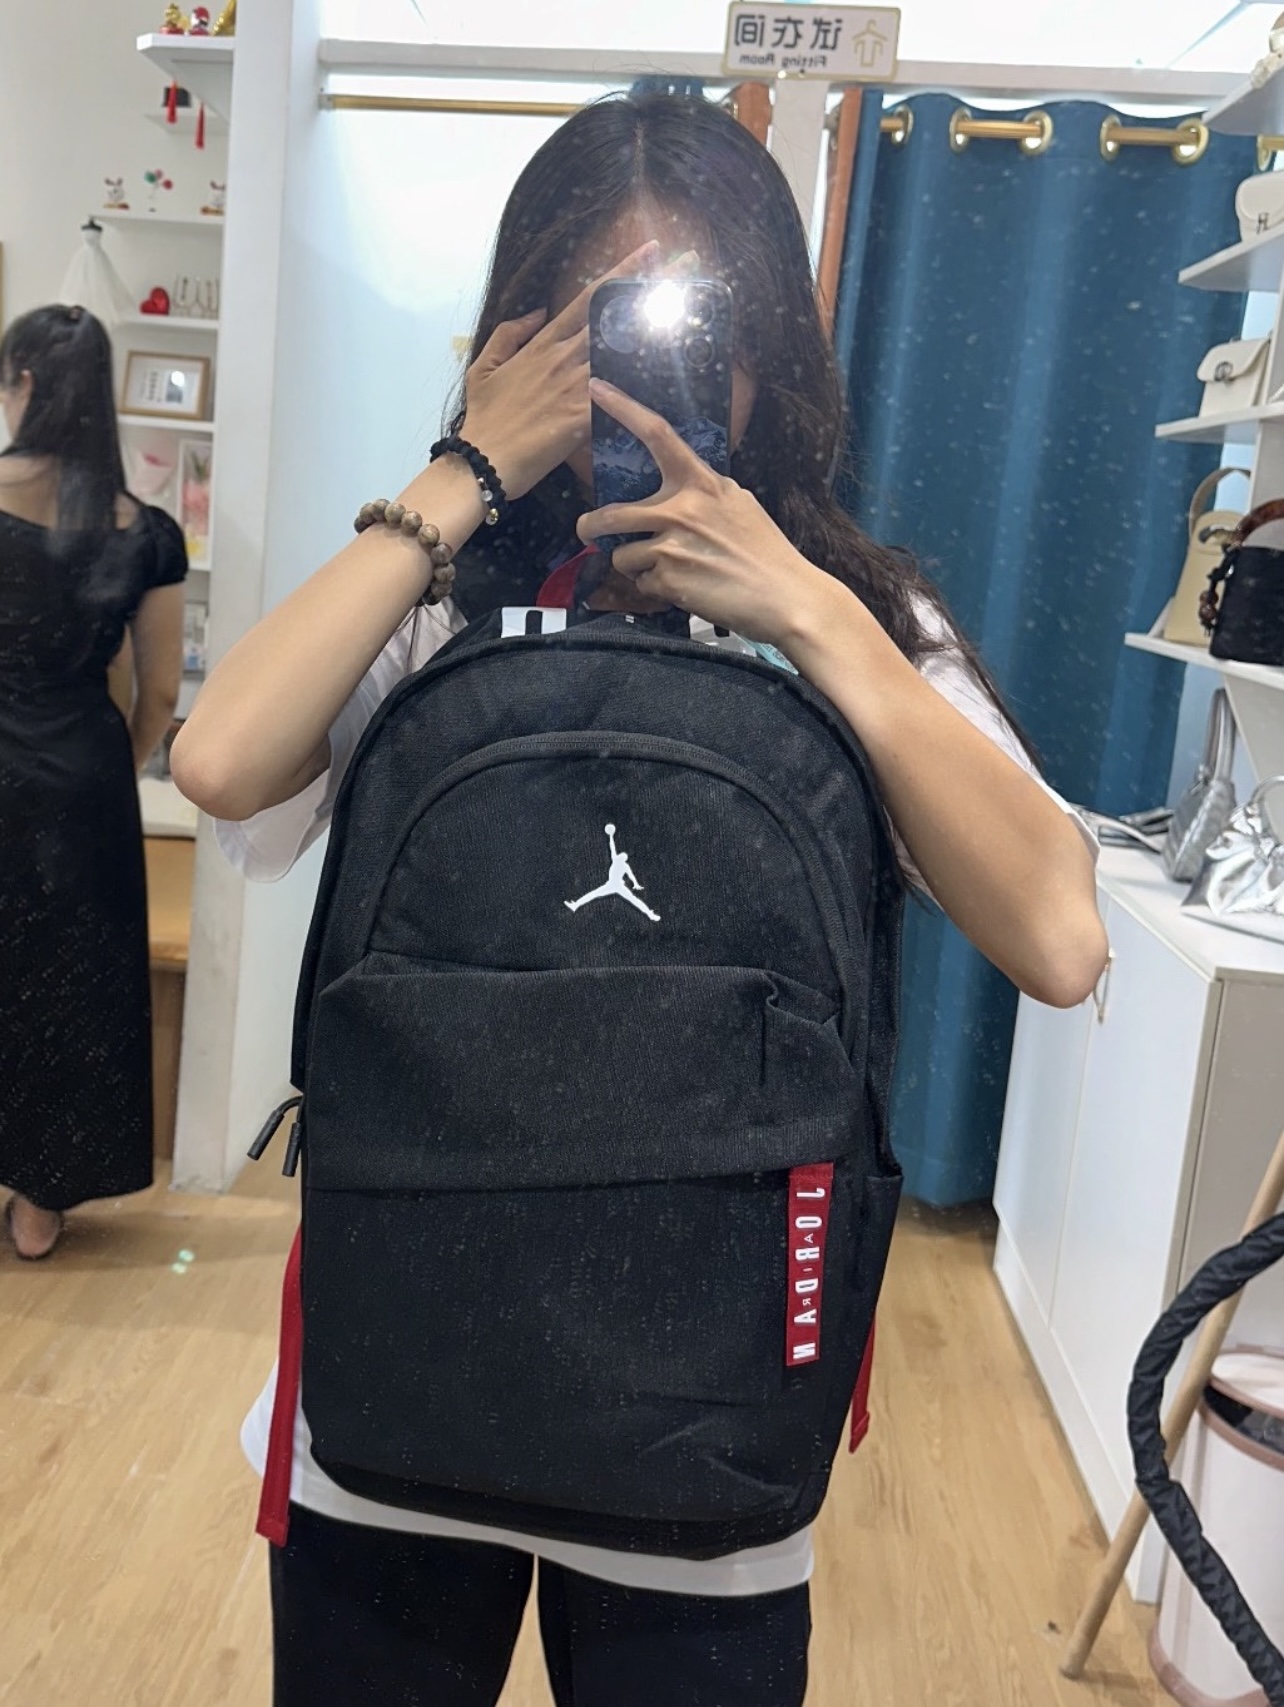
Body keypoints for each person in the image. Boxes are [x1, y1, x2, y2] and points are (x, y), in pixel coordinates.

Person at [173, 93, 1109, 1707]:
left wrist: (802, 606)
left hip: (707, 1424)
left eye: (693, 322)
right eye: (588, 324)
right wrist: (463, 472)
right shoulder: (437, 597)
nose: (640, 372)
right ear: (513, 334)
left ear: (772, 347)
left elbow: (1059, 936)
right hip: (402, 1392)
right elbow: (219, 757)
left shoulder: (848, 621)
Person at [0, 305, 186, 1260]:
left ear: (26, 383)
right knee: (70, 984)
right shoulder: (145, 531)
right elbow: (160, 692)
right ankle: (41, 1206)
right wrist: (109, 760)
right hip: (84, 783)